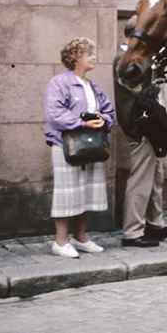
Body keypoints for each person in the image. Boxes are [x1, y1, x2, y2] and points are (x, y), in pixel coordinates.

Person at [44, 37, 115, 258]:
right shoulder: (60, 82)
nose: (94, 57)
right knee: (67, 193)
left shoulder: (93, 85)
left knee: (85, 192)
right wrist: (83, 123)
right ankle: (61, 241)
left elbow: (109, 110)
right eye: (88, 54)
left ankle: (81, 238)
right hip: (67, 145)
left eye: (93, 53)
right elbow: (55, 114)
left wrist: (104, 119)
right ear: (75, 58)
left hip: (91, 145)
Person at [113, 17, 167, 247]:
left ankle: (154, 223)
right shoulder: (125, 58)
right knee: (141, 179)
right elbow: (140, 93)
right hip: (142, 126)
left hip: (151, 125)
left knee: (156, 176)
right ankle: (132, 231)